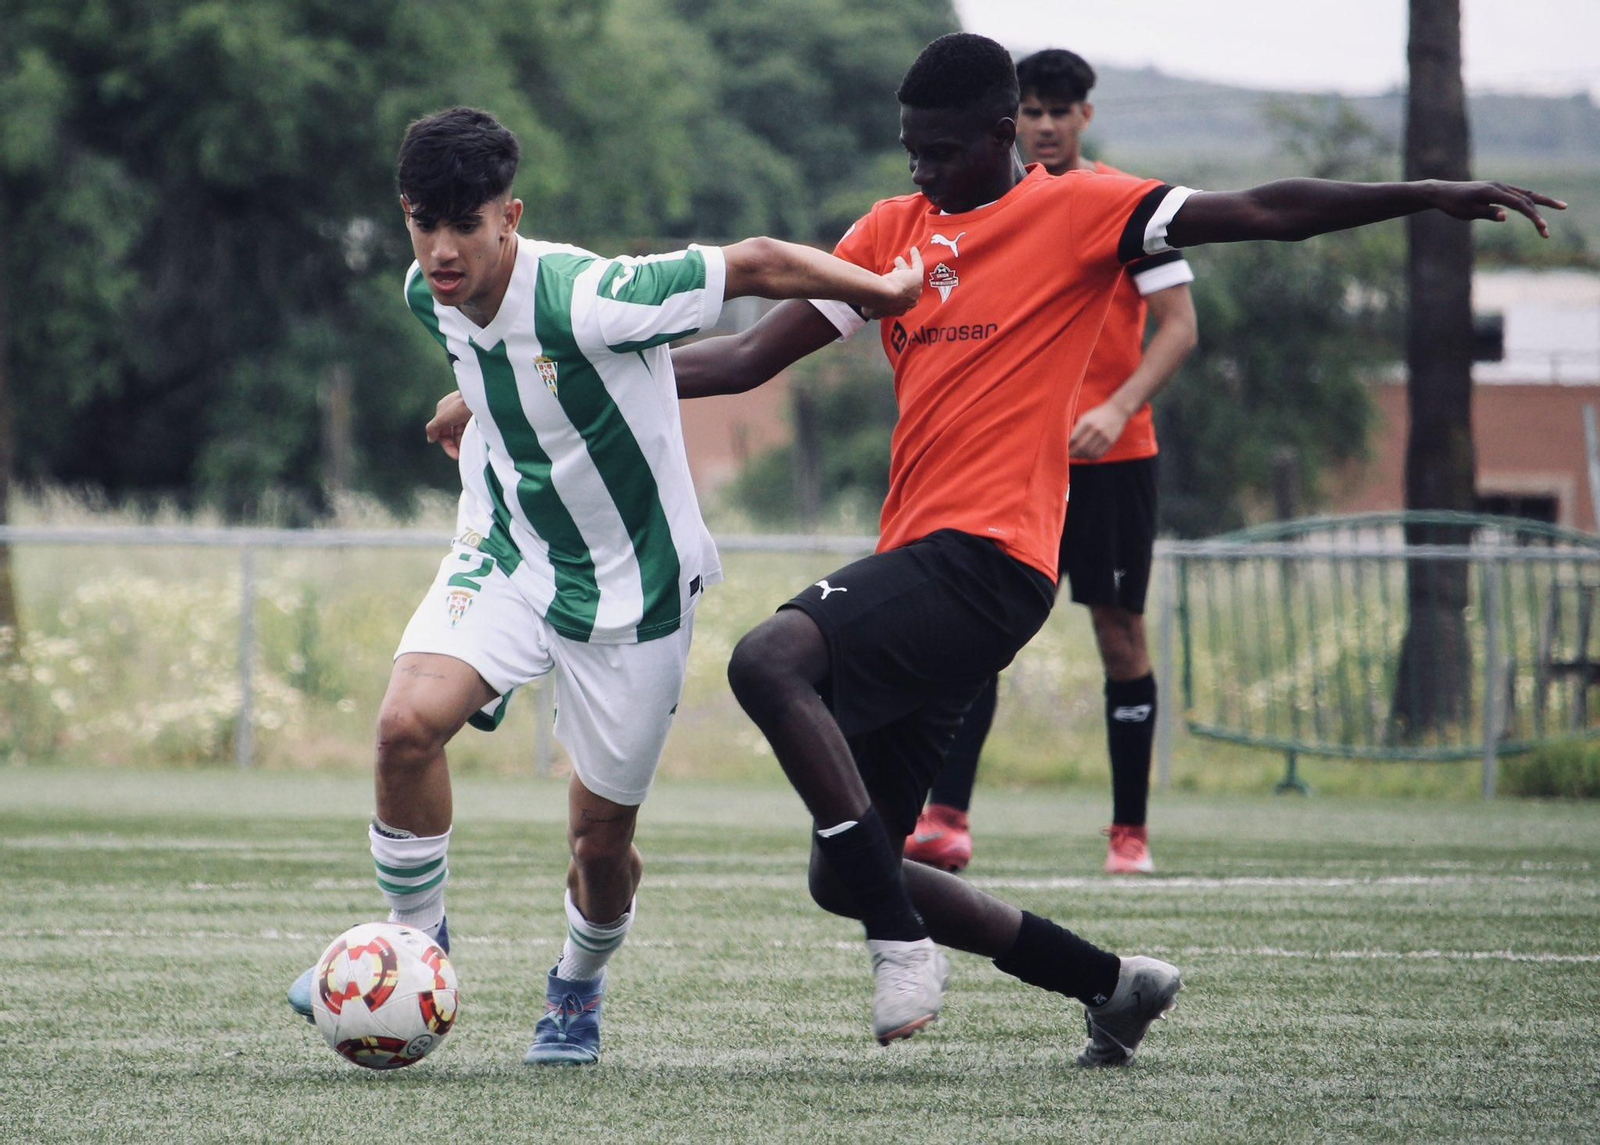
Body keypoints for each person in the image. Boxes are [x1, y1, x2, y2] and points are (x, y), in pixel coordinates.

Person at [667, 33, 1561, 1063]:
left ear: (1007, 137)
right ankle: (1112, 983)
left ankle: (902, 940)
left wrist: (1425, 192)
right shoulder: (888, 231)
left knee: (768, 658)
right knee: (846, 866)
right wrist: (578, 366)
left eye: (942, 150)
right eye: (908, 149)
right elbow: (739, 359)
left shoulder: (1079, 209)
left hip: (994, 558)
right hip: (924, 568)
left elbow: (1263, 210)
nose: (920, 169)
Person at [284, 106, 924, 1067]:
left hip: (633, 592)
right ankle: (413, 949)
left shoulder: (591, 294)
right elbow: (500, 363)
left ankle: (577, 987)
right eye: (425, 222)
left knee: (598, 844)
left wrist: (884, 287)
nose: (444, 250)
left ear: (513, 215)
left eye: (469, 224)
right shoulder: (429, 291)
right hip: (506, 549)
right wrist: (479, 404)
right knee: (404, 727)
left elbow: (749, 261)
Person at [906, 48, 1199, 878]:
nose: (1043, 125)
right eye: (1031, 111)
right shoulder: (982, 209)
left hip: (1113, 458)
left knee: (1118, 632)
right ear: (1010, 120)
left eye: (1057, 112)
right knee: (977, 634)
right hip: (1016, 461)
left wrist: (1116, 406)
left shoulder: (1116, 206)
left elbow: (1179, 324)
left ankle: (1129, 833)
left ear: (1082, 120)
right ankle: (947, 816)